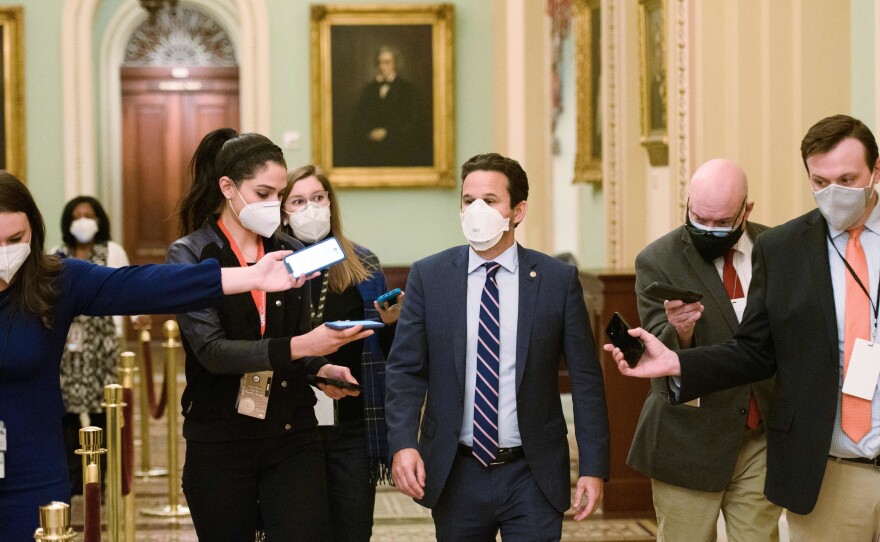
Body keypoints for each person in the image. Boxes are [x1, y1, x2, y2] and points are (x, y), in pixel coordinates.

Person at [606, 114, 880, 540]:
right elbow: (754, 349)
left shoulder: (768, 245)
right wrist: (677, 356)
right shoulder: (788, 248)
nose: (833, 192)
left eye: (846, 179)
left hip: (765, 433)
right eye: (820, 181)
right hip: (709, 438)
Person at [0, 171, 306, 540]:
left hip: (33, 470)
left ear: (33, 231)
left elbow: (143, 285)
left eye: (15, 239)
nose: (6, 253)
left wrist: (251, 277)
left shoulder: (53, 281)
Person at [385, 153, 610, 540]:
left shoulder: (557, 281)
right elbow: (405, 370)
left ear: (518, 211)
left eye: (489, 201)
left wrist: (593, 466)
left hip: (532, 472)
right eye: (468, 200)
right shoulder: (429, 276)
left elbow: (586, 379)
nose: (476, 210)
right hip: (456, 470)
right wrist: (403, 444)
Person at [167, 129, 370, 541]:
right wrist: (303, 347)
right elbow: (213, 352)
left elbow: (295, 339)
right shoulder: (190, 254)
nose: (273, 205)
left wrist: (320, 368)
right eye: (262, 193)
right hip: (221, 439)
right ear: (228, 188)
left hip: (292, 433)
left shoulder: (290, 249)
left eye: (279, 195)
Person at [628, 159, 780, 541]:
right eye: (699, 218)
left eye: (722, 222)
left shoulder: (776, 248)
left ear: (746, 210)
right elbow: (655, 349)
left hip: (761, 436)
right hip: (690, 440)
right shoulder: (658, 259)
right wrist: (681, 330)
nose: (709, 229)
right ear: (688, 204)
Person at [282, 164, 402, 541]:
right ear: (283, 211)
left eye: (318, 198)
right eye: (297, 201)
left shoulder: (362, 263)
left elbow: (387, 351)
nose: (310, 209)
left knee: (353, 528)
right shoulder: (273, 267)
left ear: (331, 204)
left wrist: (392, 323)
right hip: (291, 423)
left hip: (351, 422)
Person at [51, 196, 150, 496]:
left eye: (89, 215)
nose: (82, 221)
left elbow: (127, 287)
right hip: (66, 344)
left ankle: (101, 475)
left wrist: (137, 315)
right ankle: (73, 475)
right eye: (76, 216)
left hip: (103, 343)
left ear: (99, 220)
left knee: (103, 409)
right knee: (67, 410)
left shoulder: (112, 251)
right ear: (68, 222)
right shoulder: (56, 254)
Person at [350, 46, 430, 167]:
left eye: (387, 62)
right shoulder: (368, 90)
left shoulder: (408, 90)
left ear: (395, 64)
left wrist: (387, 133)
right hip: (372, 152)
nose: (382, 67)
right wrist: (369, 132)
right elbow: (359, 118)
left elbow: (413, 121)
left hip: (400, 151)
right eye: (380, 62)